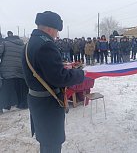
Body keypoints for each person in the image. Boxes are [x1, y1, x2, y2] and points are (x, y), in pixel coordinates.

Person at [22, 11, 85, 153]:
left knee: (45, 141)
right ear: (50, 29)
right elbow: (60, 78)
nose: (57, 35)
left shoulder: (29, 43)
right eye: (56, 31)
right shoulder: (46, 45)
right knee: (52, 144)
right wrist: (81, 74)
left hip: (37, 100)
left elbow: (40, 70)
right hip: (48, 104)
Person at [0, 31, 28, 111]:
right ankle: (22, 104)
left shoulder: (5, 43)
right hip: (20, 69)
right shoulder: (23, 45)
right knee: (19, 87)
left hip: (7, 69)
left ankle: (6, 105)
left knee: (7, 88)